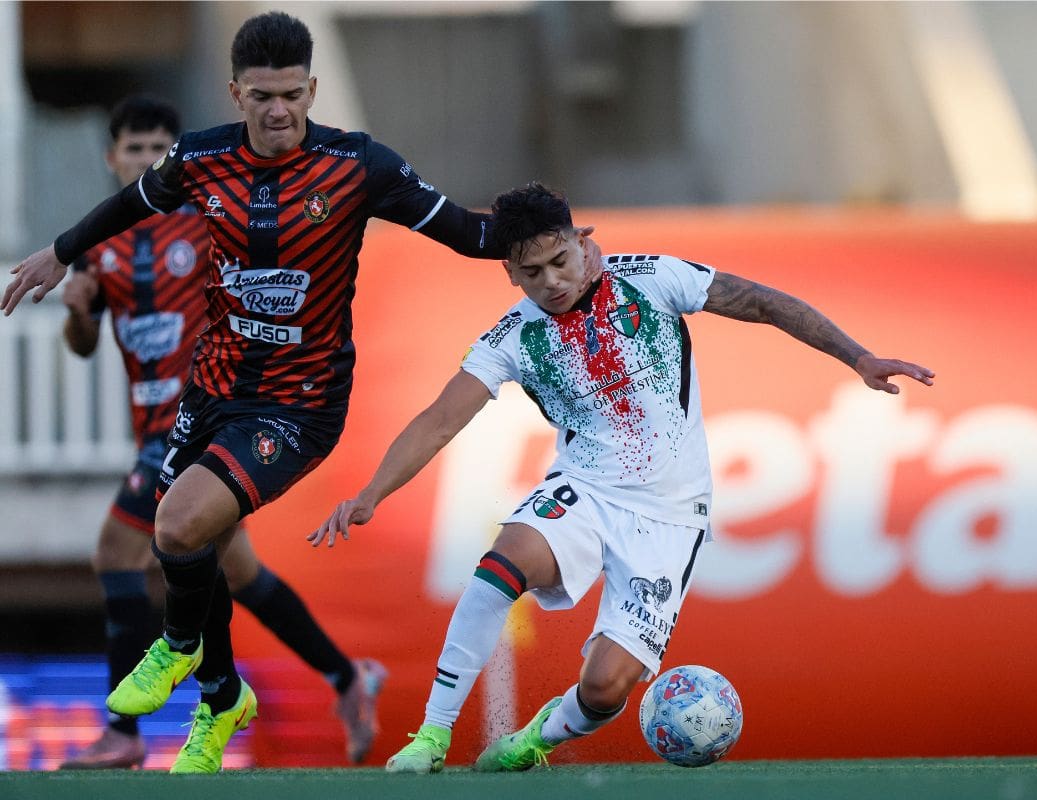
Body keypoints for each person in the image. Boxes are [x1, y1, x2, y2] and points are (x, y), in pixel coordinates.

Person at [1, 12, 562, 773]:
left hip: (301, 403)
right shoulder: (200, 158)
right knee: (188, 547)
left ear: (313, 89)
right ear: (236, 92)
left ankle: (178, 647)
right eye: (263, 96)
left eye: (292, 95)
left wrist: (558, 239)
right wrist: (58, 253)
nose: (278, 111)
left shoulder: (358, 165)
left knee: (176, 525)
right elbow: (134, 201)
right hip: (214, 386)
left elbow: (469, 233)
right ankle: (220, 699)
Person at [309, 182, 936, 773]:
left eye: (560, 260)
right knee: (501, 565)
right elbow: (440, 419)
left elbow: (763, 302)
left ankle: (534, 740)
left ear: (583, 241)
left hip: (671, 517)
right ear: (509, 272)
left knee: (606, 689)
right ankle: (432, 736)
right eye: (531, 273)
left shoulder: (652, 279)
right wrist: (371, 494)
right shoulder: (512, 336)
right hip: (585, 491)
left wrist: (859, 357)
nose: (551, 282)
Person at [55, 95, 387, 770]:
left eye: (159, 149)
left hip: (218, 418)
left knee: (119, 553)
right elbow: (84, 344)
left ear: (174, 157)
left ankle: (125, 730)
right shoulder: (103, 245)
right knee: (237, 573)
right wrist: (79, 311)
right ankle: (345, 677)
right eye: (135, 150)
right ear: (113, 159)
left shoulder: (209, 222)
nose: (148, 160)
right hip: (163, 428)